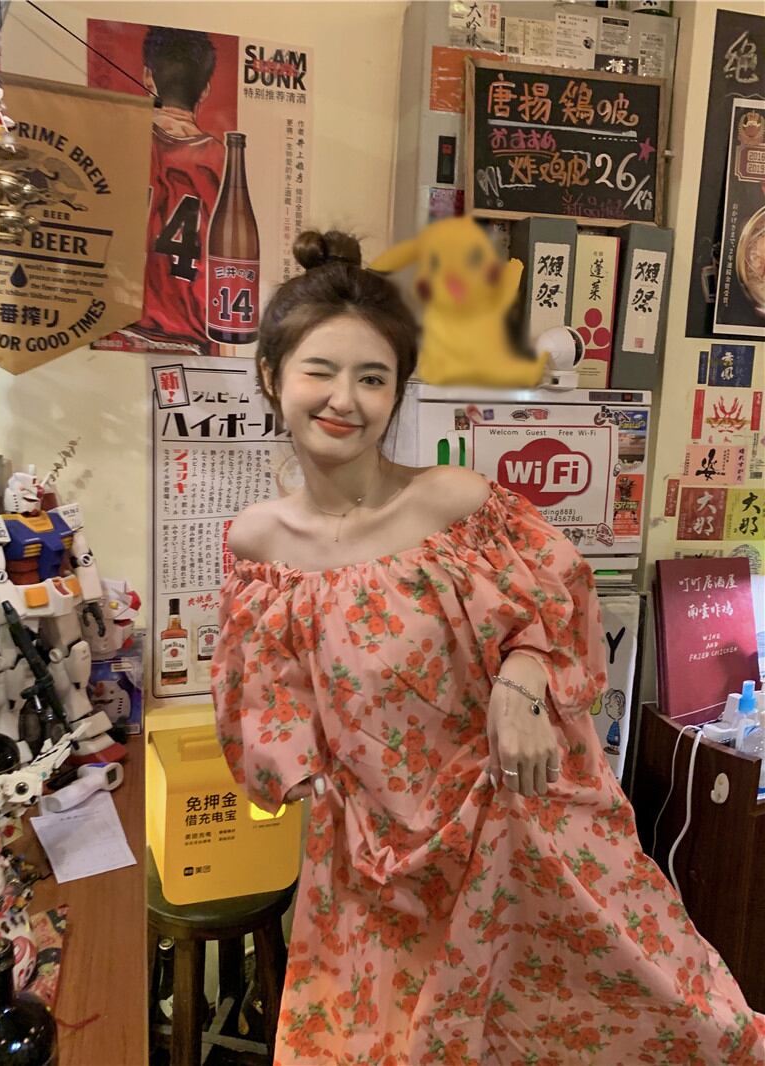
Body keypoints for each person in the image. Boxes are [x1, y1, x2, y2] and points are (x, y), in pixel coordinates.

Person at [212, 230, 765, 1065]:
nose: (344, 399)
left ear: (397, 392)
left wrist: (522, 678)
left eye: (373, 378)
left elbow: (560, 602)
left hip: (514, 828)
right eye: (320, 370)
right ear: (270, 376)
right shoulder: (258, 548)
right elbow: (264, 707)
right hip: (374, 867)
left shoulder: (455, 504)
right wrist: (301, 772)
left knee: (678, 1021)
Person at [118, 27, 225, 354]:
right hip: (192, 339)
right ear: (204, 90)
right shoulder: (223, 160)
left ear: (147, 77)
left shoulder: (121, 140)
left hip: (119, 330)